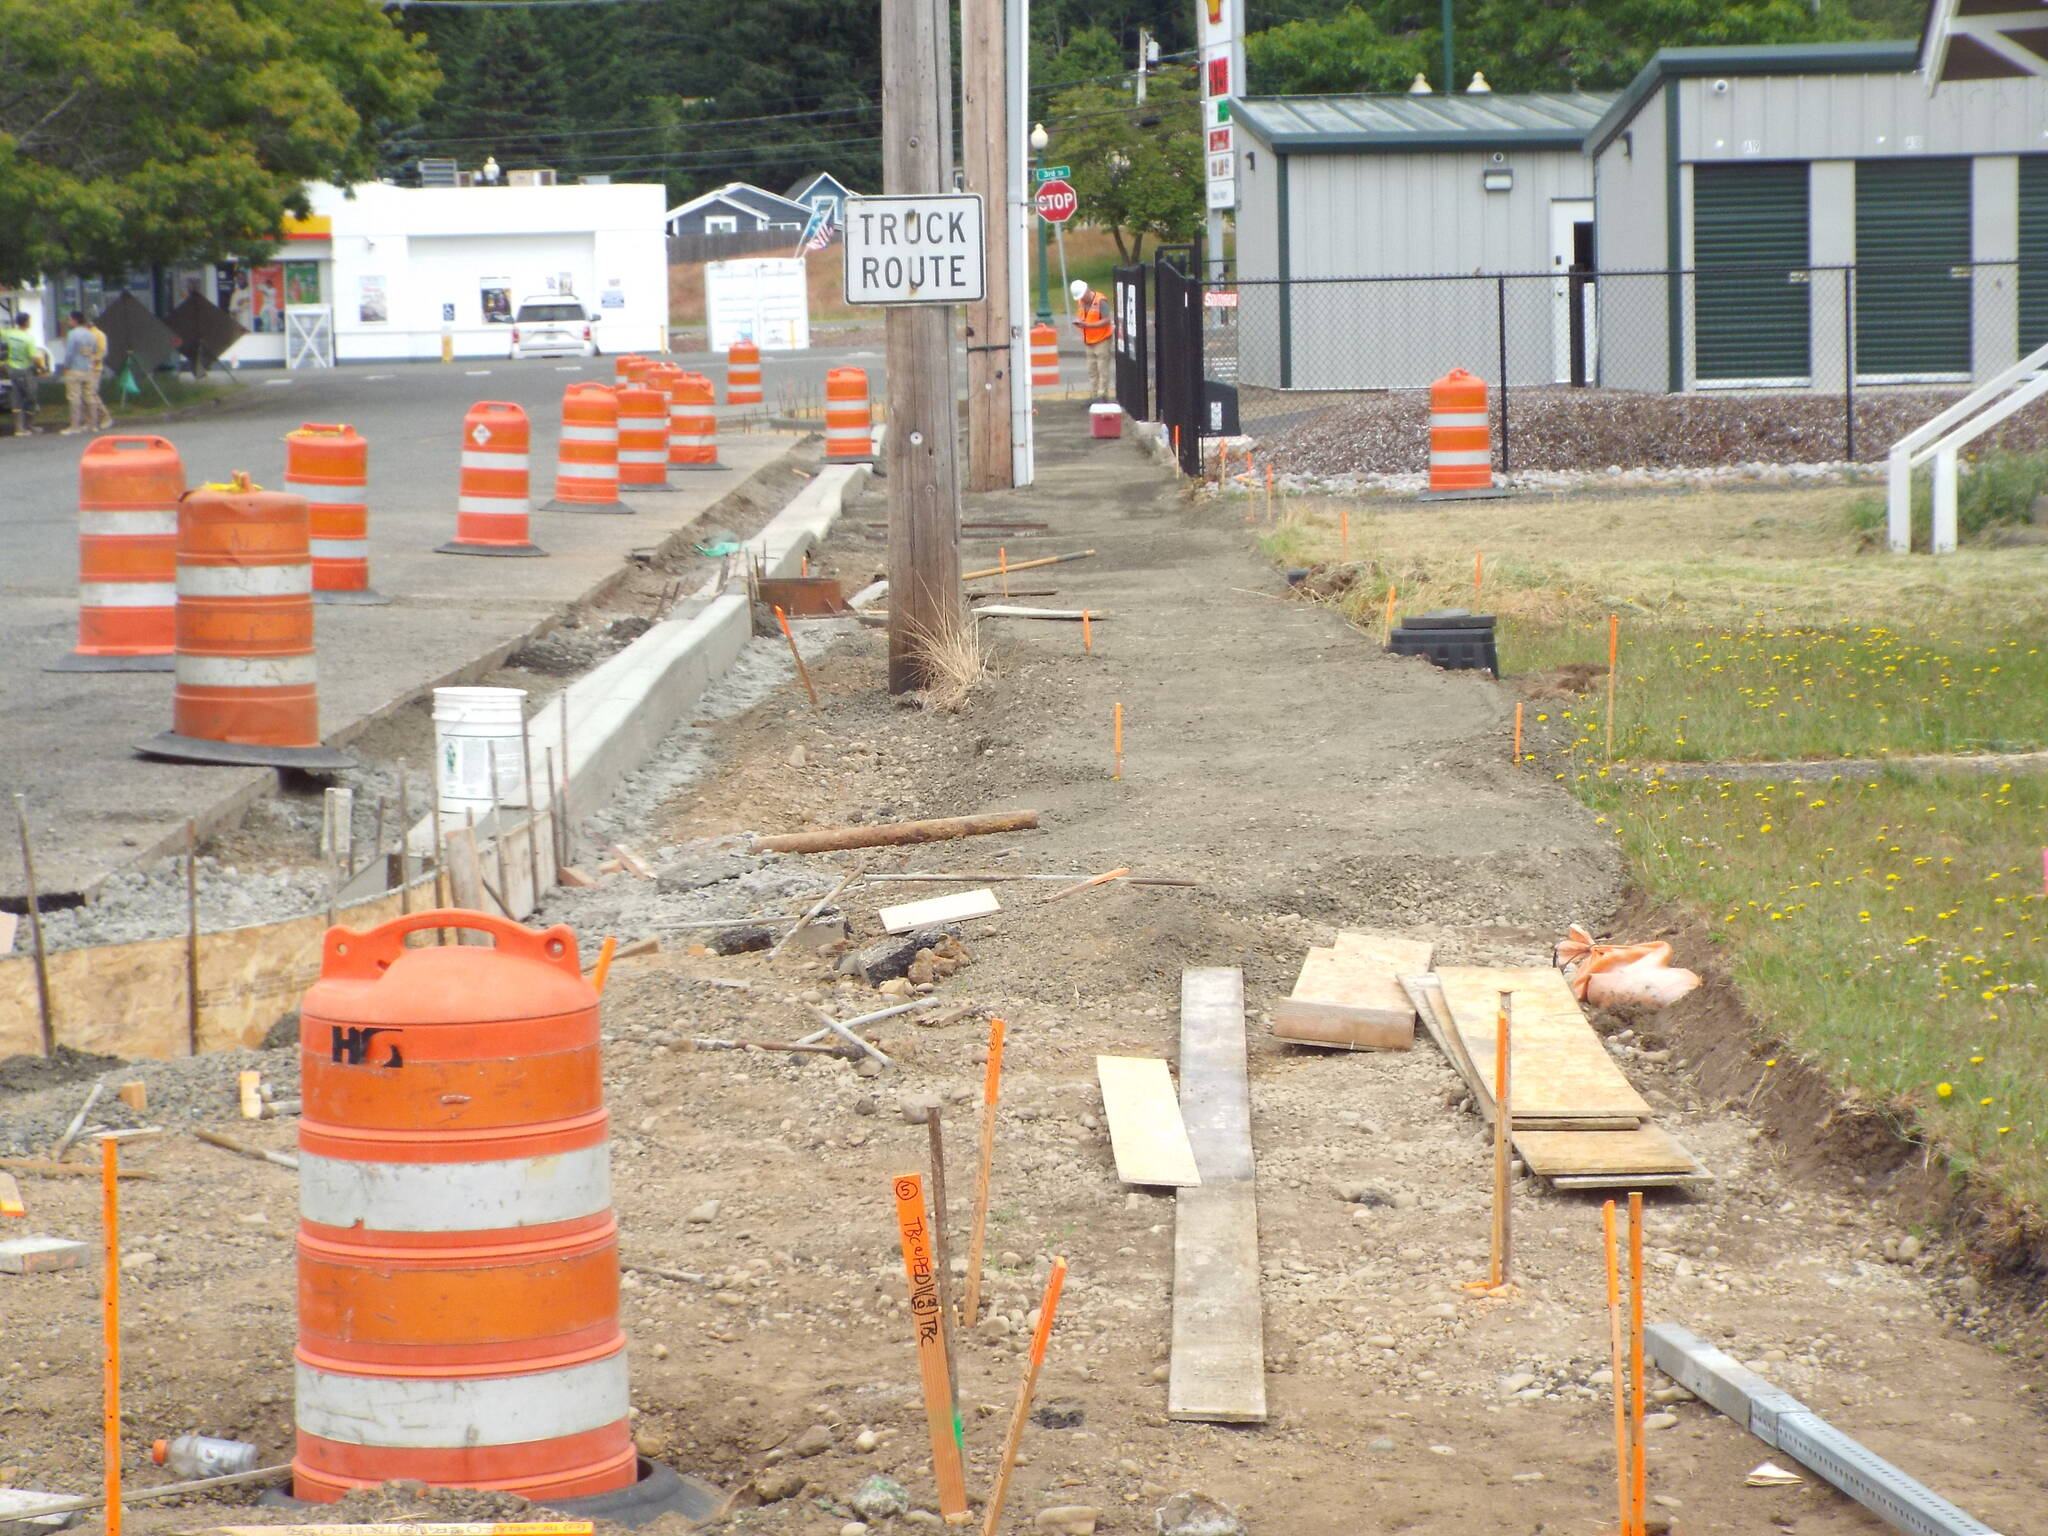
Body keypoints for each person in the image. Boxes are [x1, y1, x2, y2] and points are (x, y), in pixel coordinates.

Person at [1071, 279, 1114, 400]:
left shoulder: (1100, 301)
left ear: (1086, 291)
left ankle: (1102, 396)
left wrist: (1088, 325)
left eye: (1082, 296)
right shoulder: (1081, 301)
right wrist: (1080, 322)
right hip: (1089, 340)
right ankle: (1094, 395)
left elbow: (1107, 320)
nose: (1081, 299)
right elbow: (1083, 315)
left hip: (1102, 340)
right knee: (1092, 370)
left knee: (1102, 369)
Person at [5, 311, 46, 437]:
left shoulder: (9, 333)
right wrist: (42, 367)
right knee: (31, 397)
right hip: (25, 370)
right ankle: (29, 425)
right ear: (26, 322)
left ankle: (19, 428)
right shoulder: (28, 338)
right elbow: (34, 357)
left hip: (12, 369)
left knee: (16, 396)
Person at [60, 309, 101, 435]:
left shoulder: (73, 334)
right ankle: (93, 425)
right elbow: (94, 349)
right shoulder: (91, 334)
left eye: (70, 319)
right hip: (88, 368)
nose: (68, 322)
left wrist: (65, 366)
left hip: (74, 368)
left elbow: (69, 353)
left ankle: (75, 425)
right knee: (90, 396)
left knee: (74, 397)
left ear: (75, 320)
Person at [86, 312, 114, 429]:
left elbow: (102, 351)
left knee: (91, 393)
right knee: (84, 395)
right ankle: (90, 420)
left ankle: (105, 416)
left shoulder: (98, 334)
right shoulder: (84, 334)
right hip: (82, 368)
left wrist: (94, 361)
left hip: (94, 368)